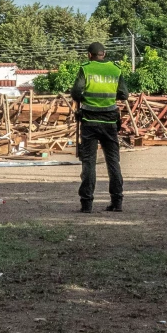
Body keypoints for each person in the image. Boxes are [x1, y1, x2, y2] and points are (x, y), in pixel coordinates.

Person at [70, 42, 127, 213]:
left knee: (89, 163)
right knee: (113, 162)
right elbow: (124, 94)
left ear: (89, 55)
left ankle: (86, 204)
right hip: (110, 122)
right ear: (104, 53)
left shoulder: (86, 68)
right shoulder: (115, 69)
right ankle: (117, 202)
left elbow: (75, 93)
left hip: (89, 121)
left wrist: (86, 99)